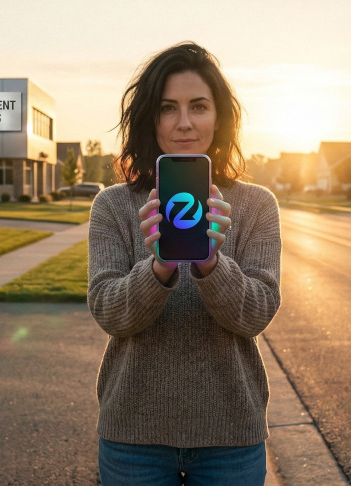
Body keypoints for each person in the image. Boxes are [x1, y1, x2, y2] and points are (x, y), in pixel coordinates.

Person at [87, 42, 282, 485]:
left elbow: (256, 315)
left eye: (199, 106)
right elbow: (109, 313)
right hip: (133, 435)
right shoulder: (113, 206)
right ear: (149, 119)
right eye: (167, 108)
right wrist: (157, 269)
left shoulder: (256, 206)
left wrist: (212, 265)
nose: (184, 123)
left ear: (219, 118)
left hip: (229, 435)